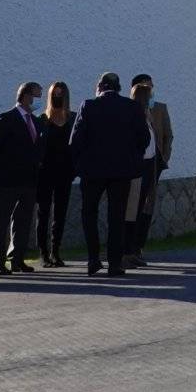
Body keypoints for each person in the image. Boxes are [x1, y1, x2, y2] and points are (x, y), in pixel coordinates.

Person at [70, 70, 149, 277]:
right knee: (117, 217)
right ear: (119, 87)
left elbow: (75, 141)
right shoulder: (131, 107)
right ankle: (115, 263)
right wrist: (132, 156)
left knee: (89, 214)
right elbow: (144, 138)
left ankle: (93, 259)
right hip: (122, 171)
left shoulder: (88, 106)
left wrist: (80, 164)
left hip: (92, 171)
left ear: (100, 86)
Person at [0, 81, 44, 275]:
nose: (37, 100)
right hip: (7, 180)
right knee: (1, 221)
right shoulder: (6, 118)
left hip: (28, 179)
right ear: (26, 96)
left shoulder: (34, 121)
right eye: (35, 96)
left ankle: (17, 259)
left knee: (23, 220)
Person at [124, 72, 172, 267]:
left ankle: (138, 247)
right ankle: (129, 248)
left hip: (154, 164)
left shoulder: (159, 109)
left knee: (148, 206)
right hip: (136, 166)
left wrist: (163, 157)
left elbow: (168, 135)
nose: (151, 91)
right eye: (147, 87)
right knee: (133, 207)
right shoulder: (128, 110)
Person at [35, 80, 76, 268]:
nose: (58, 97)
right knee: (43, 212)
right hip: (45, 172)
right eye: (55, 94)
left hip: (65, 173)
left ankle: (55, 251)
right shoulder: (42, 119)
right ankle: (43, 253)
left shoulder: (73, 118)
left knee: (60, 213)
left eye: (61, 94)